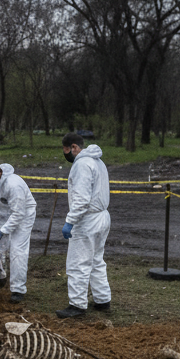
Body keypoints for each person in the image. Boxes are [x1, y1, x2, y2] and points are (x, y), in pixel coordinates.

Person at [57, 133, 112, 318]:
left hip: (87, 220)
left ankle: (77, 305)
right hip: (103, 216)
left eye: (65, 150)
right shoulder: (98, 161)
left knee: (78, 263)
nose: (65, 155)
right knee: (96, 260)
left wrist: (70, 221)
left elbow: (81, 199)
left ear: (73, 147)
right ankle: (102, 299)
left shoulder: (81, 164)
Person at [0, 158, 37, 303]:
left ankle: (18, 290)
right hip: (4, 212)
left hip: (23, 214)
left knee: (17, 251)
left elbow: (18, 214)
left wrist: (2, 231)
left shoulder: (14, 185)